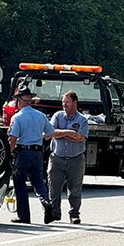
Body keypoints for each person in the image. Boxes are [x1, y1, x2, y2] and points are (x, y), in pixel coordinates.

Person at [7, 84, 57, 224]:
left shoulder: (17, 117)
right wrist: (38, 137)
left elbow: (13, 139)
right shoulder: (41, 116)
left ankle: (24, 216)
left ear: (19, 100)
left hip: (23, 153)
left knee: (20, 183)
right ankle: (46, 202)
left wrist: (8, 154)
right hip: (37, 153)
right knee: (38, 182)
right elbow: (50, 133)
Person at [47, 91, 89, 224]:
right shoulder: (57, 116)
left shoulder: (82, 120)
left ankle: (74, 214)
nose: (64, 104)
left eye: (67, 102)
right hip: (56, 158)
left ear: (75, 103)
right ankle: (55, 213)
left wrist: (60, 134)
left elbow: (80, 138)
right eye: (63, 102)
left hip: (76, 159)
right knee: (54, 188)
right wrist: (70, 132)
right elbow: (51, 132)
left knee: (74, 189)